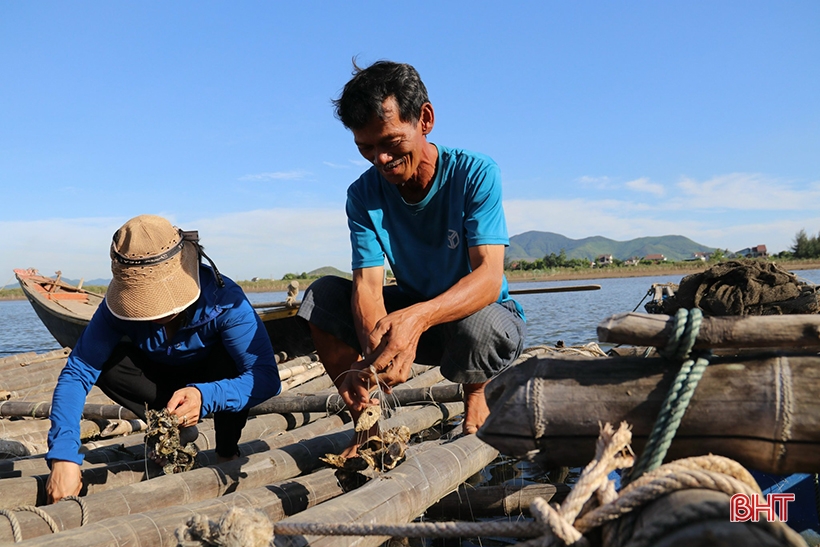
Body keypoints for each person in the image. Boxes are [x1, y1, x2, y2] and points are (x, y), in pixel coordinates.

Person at [296, 61, 526, 448]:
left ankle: (475, 393)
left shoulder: (476, 173)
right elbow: (368, 288)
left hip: (484, 327)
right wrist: (371, 360)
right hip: (419, 321)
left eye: (389, 143)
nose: (380, 160)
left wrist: (416, 320)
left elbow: (488, 277)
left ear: (425, 119)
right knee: (322, 297)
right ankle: (367, 424)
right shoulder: (362, 195)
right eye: (366, 148)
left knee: (478, 324)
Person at [46, 214, 282, 503]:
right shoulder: (113, 310)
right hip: (158, 379)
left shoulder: (226, 301)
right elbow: (77, 373)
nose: (154, 312)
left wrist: (205, 396)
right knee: (106, 363)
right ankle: (173, 425)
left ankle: (226, 451)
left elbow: (266, 378)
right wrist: (63, 455)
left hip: (212, 377)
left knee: (231, 363)